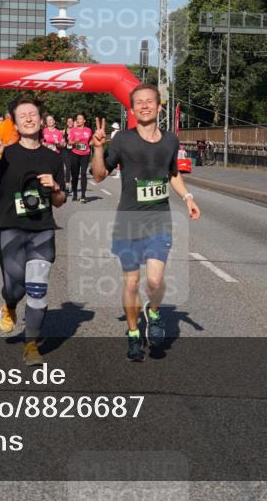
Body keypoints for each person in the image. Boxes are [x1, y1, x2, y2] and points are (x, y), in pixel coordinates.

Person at [91, 83, 200, 362]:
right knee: (131, 283)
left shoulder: (170, 141)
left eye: (149, 101)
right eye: (138, 102)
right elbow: (100, 176)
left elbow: (173, 173)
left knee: (154, 280)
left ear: (159, 106)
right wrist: (98, 149)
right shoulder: (122, 140)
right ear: (132, 109)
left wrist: (187, 196)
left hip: (159, 220)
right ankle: (133, 333)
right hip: (128, 221)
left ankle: (153, 312)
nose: (144, 106)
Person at [0, 95, 67, 366]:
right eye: (22, 115)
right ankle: (10, 305)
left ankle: (31, 344)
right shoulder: (5, 151)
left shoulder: (53, 157)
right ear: (14, 123)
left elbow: (60, 201)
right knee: (14, 287)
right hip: (11, 229)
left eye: (33, 114)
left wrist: (55, 188)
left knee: (38, 288)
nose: (29, 118)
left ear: (41, 120)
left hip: (42, 229)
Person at [67, 113, 93, 202]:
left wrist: (95, 142)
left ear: (84, 121)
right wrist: (75, 141)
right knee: (75, 175)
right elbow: (70, 142)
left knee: (83, 174)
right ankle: (75, 193)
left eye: (80, 119)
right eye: (77, 119)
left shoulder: (88, 130)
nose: (78, 120)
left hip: (85, 154)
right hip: (75, 154)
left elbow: (90, 141)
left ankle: (83, 195)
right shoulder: (73, 130)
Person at [62, 117, 75, 196]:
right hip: (65, 151)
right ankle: (67, 187)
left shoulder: (76, 130)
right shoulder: (64, 131)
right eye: (68, 121)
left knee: (74, 169)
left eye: (71, 121)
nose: (70, 122)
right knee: (68, 168)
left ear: (73, 122)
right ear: (67, 123)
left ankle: (74, 187)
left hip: (74, 151)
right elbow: (59, 137)